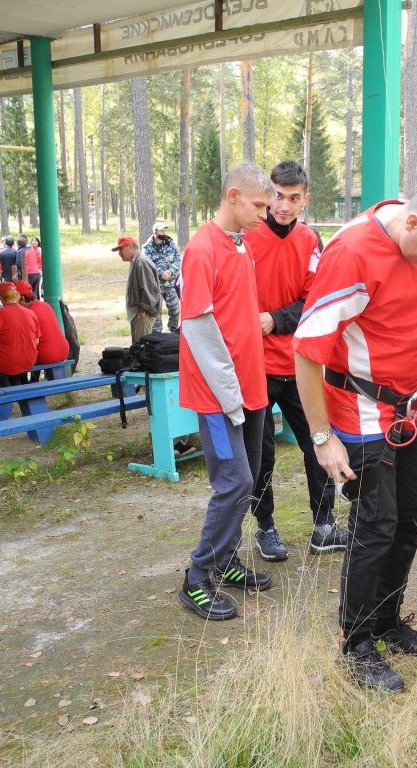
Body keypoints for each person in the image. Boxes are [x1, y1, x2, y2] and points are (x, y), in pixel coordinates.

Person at [293, 183, 417, 692]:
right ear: (414, 225)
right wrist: (321, 436)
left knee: (414, 511)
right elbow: (307, 350)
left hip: (412, 402)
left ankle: (386, 620)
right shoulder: (352, 254)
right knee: (376, 522)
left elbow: (402, 295)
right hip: (358, 410)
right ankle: (355, 645)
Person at [177, 162, 276, 621]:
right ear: (233, 195)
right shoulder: (202, 248)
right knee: (233, 482)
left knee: (248, 480)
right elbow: (197, 327)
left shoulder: (241, 244)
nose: (265, 214)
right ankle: (197, 575)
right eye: (258, 205)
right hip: (219, 398)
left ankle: (226, 558)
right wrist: (230, 394)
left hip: (250, 389)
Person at [242, 160, 347, 562]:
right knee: (261, 452)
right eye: (278, 196)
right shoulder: (248, 237)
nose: (283, 206)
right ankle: (265, 527)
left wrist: (275, 318)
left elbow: (314, 301)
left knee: (317, 442)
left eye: (293, 198)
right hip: (257, 366)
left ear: (306, 198)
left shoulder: (309, 240)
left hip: (301, 365)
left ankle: (324, 526)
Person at [0, 282, 40, 387]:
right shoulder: (31, 313)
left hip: (8, 362)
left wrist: (7, 347)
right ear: (17, 295)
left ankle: (0, 391)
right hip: (29, 360)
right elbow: (36, 341)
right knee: (16, 362)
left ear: (1, 297)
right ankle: (21, 383)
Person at [15, 280, 69, 381]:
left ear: (21, 298)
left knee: (18, 357)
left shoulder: (28, 313)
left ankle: (24, 385)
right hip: (63, 349)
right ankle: (33, 381)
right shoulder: (45, 305)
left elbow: (29, 342)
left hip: (47, 355)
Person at [113, 235, 161, 343]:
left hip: (143, 315)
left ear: (130, 246)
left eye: (121, 249)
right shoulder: (136, 261)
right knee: (137, 347)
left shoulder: (141, 262)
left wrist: (142, 310)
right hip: (138, 314)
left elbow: (149, 289)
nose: (119, 253)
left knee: (141, 347)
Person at [144, 221, 182, 333]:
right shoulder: (147, 247)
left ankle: (174, 332)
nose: (163, 232)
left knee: (175, 310)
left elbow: (178, 259)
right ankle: (157, 334)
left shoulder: (171, 244)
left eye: (164, 230)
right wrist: (160, 274)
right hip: (156, 286)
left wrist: (170, 272)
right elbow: (147, 263)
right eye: (161, 230)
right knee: (156, 313)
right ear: (155, 232)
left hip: (170, 284)